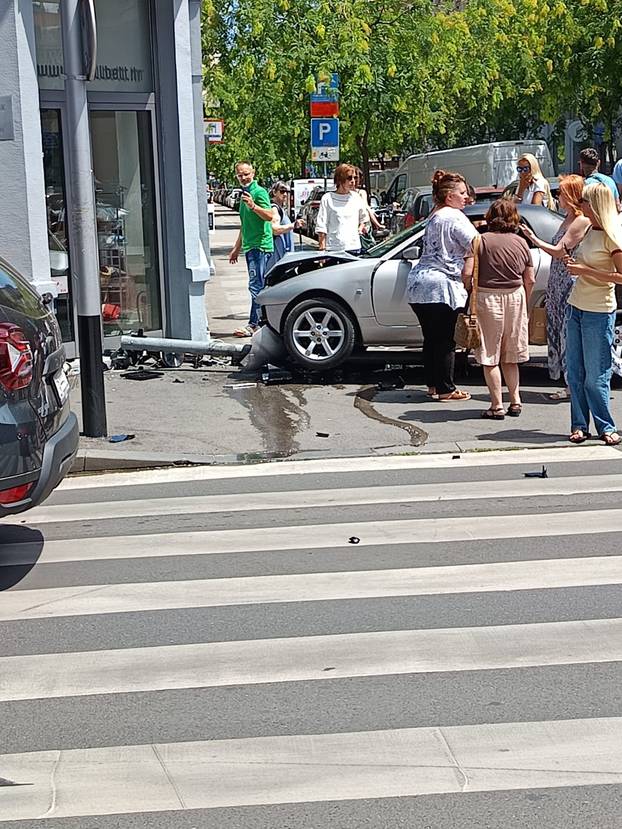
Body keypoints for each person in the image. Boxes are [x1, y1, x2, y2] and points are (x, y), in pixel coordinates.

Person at [407, 169, 477, 401]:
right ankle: (446, 388)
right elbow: (476, 243)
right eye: (462, 193)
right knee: (446, 339)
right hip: (442, 285)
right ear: (449, 197)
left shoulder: (434, 216)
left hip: (419, 284)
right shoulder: (454, 216)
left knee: (431, 338)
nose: (466, 197)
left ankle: (433, 385)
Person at [520, 174, 591, 399]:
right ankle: (569, 384)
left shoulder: (580, 220)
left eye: (561, 192)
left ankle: (573, 386)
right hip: (557, 281)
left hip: (569, 282)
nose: (557, 196)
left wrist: (534, 239)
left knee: (568, 335)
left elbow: (561, 250)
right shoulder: (567, 217)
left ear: (571, 195)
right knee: (559, 333)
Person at [464, 199, 534, 419]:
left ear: (490, 216)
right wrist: (525, 300)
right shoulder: (521, 242)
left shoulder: (479, 241)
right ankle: (516, 401)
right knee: (510, 354)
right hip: (515, 296)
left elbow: (467, 273)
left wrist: (470, 290)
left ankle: (496, 405)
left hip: (487, 297)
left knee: (489, 354)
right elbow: (529, 278)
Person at [564, 182, 622, 445]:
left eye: (585, 201)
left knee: (596, 374)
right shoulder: (588, 229)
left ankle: (606, 426)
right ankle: (579, 425)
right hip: (576, 305)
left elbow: (620, 277)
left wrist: (584, 271)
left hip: (599, 310)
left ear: (596, 204)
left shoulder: (612, 236)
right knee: (575, 372)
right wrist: (573, 265)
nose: (581, 205)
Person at [228, 161, 274, 337]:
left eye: (246, 174)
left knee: (256, 285)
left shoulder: (259, 192)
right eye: (240, 175)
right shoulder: (244, 195)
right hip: (250, 246)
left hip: (260, 246)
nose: (243, 177)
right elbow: (244, 225)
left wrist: (254, 206)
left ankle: (254, 324)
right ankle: (262, 322)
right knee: (258, 285)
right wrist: (236, 248)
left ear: (253, 173)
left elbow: (269, 216)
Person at [315, 164, 368, 254]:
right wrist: (322, 249)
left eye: (355, 178)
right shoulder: (327, 198)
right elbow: (321, 226)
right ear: (340, 179)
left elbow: (364, 218)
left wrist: (361, 228)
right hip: (333, 249)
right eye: (349, 178)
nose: (353, 181)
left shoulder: (356, 197)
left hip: (353, 248)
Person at [266, 181, 303, 271]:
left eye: (287, 192)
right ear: (274, 192)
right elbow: (275, 229)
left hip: (282, 258)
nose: (285, 194)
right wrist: (293, 225)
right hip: (277, 258)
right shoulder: (275, 209)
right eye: (282, 191)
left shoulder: (280, 208)